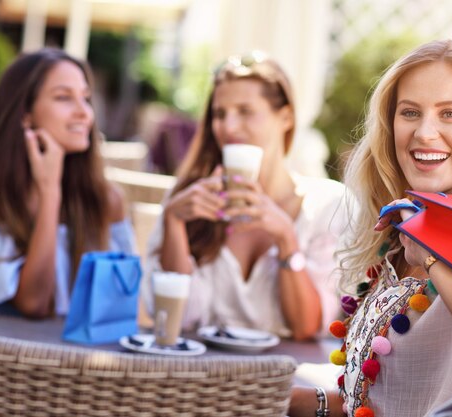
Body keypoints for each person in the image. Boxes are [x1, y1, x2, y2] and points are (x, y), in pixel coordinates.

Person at [289, 39, 452, 417]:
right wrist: (301, 402)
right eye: (410, 112)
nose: (424, 133)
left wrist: (432, 255)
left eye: (449, 113)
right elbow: (382, 402)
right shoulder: (395, 234)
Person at [142, 51, 345, 340]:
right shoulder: (189, 200)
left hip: (282, 379)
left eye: (245, 111)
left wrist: (287, 239)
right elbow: (176, 320)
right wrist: (175, 222)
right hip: (197, 373)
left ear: (285, 117)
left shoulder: (328, 205)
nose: (228, 127)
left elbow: (306, 328)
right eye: (219, 114)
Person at [0, 48, 137, 318]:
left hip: (75, 359)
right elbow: (33, 303)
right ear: (25, 114)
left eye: (86, 98)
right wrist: (49, 193)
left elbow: (120, 306)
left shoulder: (106, 200)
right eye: (64, 97)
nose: (84, 113)